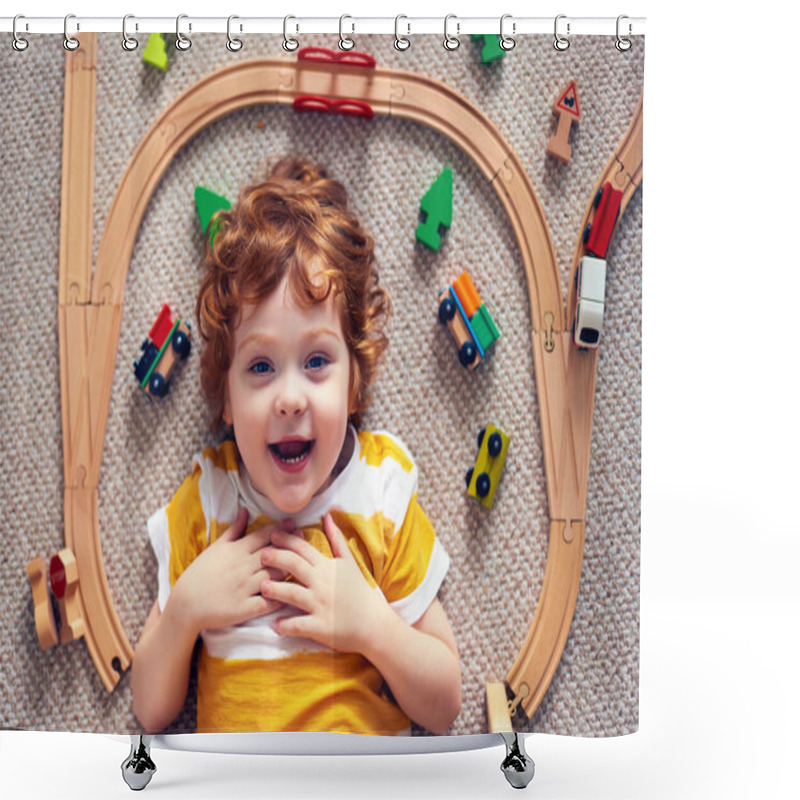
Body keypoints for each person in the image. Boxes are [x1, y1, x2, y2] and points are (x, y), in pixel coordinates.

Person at [131, 158, 461, 736]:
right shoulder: (211, 496)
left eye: (316, 361)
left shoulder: (380, 489)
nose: (289, 397)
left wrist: (371, 628)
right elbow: (150, 709)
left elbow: (444, 703)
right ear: (226, 401)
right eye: (260, 366)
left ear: (354, 383)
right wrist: (184, 610)